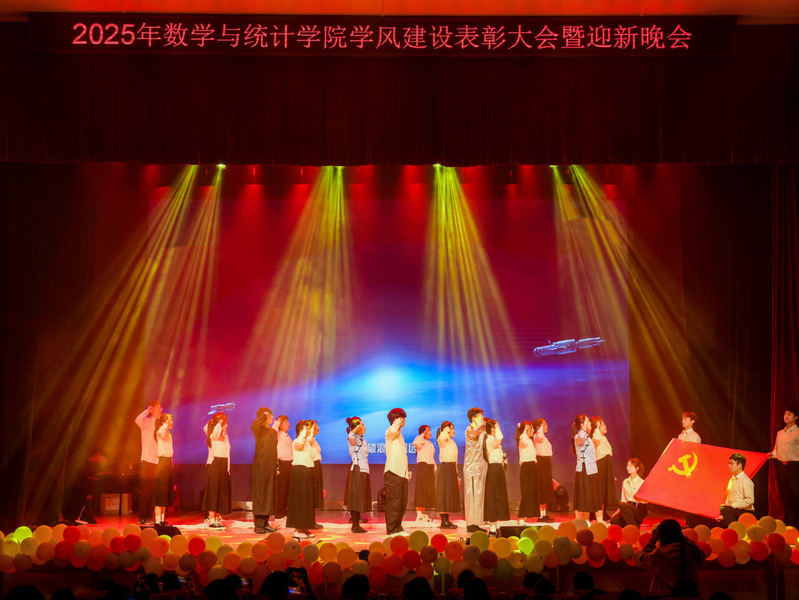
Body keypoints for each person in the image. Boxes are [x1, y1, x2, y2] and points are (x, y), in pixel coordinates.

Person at [635, 518, 704, 591]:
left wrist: (653, 539)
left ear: (660, 535)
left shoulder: (661, 554)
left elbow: (642, 559)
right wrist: (681, 536)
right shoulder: (693, 551)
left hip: (664, 594)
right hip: (690, 594)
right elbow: (702, 554)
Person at [767, 406, 799, 527]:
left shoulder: (797, 433)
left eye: (790, 414)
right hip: (782, 467)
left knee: (796, 494)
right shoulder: (780, 433)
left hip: (794, 467)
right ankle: (791, 524)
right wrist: (772, 454)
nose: (786, 416)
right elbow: (777, 449)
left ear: (796, 417)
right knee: (786, 496)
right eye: (785, 414)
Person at [287, 420, 317, 539]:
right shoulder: (297, 441)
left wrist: (310, 433)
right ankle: (297, 529)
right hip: (299, 472)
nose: (309, 430)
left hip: (307, 471)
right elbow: (299, 442)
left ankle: (304, 527)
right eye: (306, 428)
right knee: (299, 501)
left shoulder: (308, 443)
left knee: (307, 501)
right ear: (301, 430)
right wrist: (303, 432)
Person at [251, 407, 278, 534]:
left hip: (271, 466)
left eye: (271, 415)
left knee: (269, 494)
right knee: (261, 494)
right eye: (269, 415)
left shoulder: (273, 432)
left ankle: (266, 522)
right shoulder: (259, 429)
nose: (271, 417)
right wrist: (263, 416)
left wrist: (276, 466)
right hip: (261, 466)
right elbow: (255, 424)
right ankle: (259, 524)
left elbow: (275, 450)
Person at [134, 400, 161, 525]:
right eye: (158, 408)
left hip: (158, 460)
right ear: (152, 409)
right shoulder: (146, 423)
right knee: (146, 490)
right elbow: (137, 420)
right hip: (148, 460)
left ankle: (151, 516)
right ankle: (142, 517)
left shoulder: (161, 424)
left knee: (155, 491)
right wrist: (147, 411)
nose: (160, 410)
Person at [384, 407, 410, 535]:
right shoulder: (390, 431)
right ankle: (392, 529)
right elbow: (393, 430)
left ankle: (398, 527)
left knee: (401, 503)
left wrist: (406, 472)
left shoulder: (400, 434)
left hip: (401, 473)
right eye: (402, 418)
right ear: (396, 419)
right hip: (393, 472)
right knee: (394, 503)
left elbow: (402, 456)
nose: (404, 420)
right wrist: (396, 422)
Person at [203, 412, 231, 529]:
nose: (226, 426)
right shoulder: (213, 436)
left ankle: (217, 519)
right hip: (216, 464)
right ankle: (212, 520)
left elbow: (227, 454)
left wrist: (228, 469)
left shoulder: (225, 437)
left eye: (226, 423)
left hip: (223, 465)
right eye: (224, 423)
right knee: (214, 493)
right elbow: (209, 429)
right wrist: (218, 422)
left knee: (220, 493)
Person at [483, 418, 509, 536]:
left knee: (498, 496)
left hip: (498, 468)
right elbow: (500, 437)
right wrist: (497, 426)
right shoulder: (490, 439)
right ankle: (492, 527)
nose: (496, 429)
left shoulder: (493, 440)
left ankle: (495, 526)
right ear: (491, 429)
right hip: (493, 469)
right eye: (494, 428)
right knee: (492, 497)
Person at [572, 414, 601, 521]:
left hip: (591, 469)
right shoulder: (579, 436)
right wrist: (583, 430)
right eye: (588, 421)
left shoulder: (588, 437)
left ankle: (588, 521)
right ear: (582, 424)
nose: (590, 423)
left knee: (591, 496)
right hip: (584, 469)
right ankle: (580, 522)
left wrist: (596, 429)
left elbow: (597, 442)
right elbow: (580, 440)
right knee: (583, 496)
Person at [346, 416, 371, 534]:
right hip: (357, 469)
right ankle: (355, 525)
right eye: (362, 424)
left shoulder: (362, 440)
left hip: (364, 469)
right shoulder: (354, 438)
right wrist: (355, 428)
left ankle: (356, 524)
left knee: (360, 497)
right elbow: (350, 436)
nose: (364, 426)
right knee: (356, 497)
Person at [464, 407, 488, 533]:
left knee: (478, 495)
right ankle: (470, 523)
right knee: (471, 495)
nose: (482, 418)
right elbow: (475, 431)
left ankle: (476, 522)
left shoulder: (481, 429)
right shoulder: (470, 429)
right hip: (472, 467)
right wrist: (479, 423)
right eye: (480, 416)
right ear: (473, 418)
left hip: (480, 465)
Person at [591, 416, 618, 522]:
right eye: (602, 425)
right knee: (600, 490)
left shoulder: (603, 437)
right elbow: (595, 444)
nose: (605, 426)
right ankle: (597, 515)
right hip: (600, 465)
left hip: (606, 464)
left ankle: (603, 513)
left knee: (605, 490)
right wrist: (597, 429)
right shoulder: (595, 436)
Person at [716, 453, 755, 527]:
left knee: (724, 508)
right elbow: (729, 499)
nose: (729, 466)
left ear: (740, 465)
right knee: (721, 516)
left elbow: (750, 500)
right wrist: (723, 515)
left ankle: (735, 529)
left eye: (731, 463)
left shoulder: (745, 480)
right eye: (728, 464)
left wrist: (733, 505)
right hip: (735, 511)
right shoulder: (732, 480)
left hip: (745, 512)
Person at [610, 458, 648, 527]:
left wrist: (639, 498)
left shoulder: (642, 482)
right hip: (627, 508)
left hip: (638, 508)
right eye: (627, 466)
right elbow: (623, 499)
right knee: (613, 520)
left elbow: (645, 501)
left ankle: (634, 527)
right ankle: (634, 524)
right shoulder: (625, 481)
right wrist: (616, 513)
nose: (628, 468)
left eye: (631, 466)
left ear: (637, 468)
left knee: (623, 505)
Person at [436, 420, 460, 529]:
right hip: (445, 468)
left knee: (449, 494)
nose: (453, 430)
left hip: (451, 468)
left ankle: (446, 520)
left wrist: (456, 474)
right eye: (451, 428)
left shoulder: (452, 442)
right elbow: (441, 438)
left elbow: (455, 460)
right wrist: (445, 430)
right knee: (444, 494)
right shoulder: (443, 439)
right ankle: (444, 521)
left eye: (453, 428)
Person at [153, 413, 174, 527]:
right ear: (163, 422)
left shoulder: (169, 434)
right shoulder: (160, 431)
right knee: (160, 491)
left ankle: (162, 519)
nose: (171, 422)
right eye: (169, 420)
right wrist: (165, 423)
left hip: (168, 462)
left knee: (165, 491)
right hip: (162, 462)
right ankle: (157, 521)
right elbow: (161, 432)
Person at [413, 424, 437, 527]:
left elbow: (431, 457)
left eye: (430, 430)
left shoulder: (430, 443)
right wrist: (423, 434)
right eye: (427, 430)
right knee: (421, 491)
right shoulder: (420, 440)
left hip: (429, 468)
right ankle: (419, 515)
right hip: (423, 466)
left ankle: (423, 514)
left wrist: (434, 468)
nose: (430, 432)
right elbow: (416, 442)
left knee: (426, 492)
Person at [516, 420, 540, 522]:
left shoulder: (529, 440)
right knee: (526, 492)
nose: (533, 430)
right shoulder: (523, 438)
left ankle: (527, 514)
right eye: (531, 428)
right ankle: (521, 516)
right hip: (526, 467)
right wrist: (525, 430)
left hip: (532, 466)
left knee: (532, 491)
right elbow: (523, 442)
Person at [532, 418, 555, 522]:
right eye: (543, 425)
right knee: (541, 488)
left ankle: (544, 514)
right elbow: (540, 437)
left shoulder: (543, 437)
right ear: (538, 427)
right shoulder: (537, 435)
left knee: (545, 488)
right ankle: (541, 516)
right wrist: (539, 428)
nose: (546, 426)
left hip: (546, 463)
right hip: (541, 463)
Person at [273, 415, 293, 522]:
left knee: (287, 489)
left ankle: (285, 510)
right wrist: (278, 421)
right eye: (285, 422)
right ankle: (279, 512)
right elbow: (273, 430)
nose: (288, 424)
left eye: (288, 422)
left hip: (289, 463)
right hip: (281, 463)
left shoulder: (288, 437)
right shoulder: (277, 435)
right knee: (281, 489)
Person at [309, 420, 325, 528]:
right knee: (312, 493)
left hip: (316, 465)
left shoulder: (314, 439)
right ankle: (310, 521)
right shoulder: (309, 439)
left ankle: (312, 520)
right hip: (312, 465)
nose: (317, 428)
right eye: (315, 426)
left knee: (315, 494)